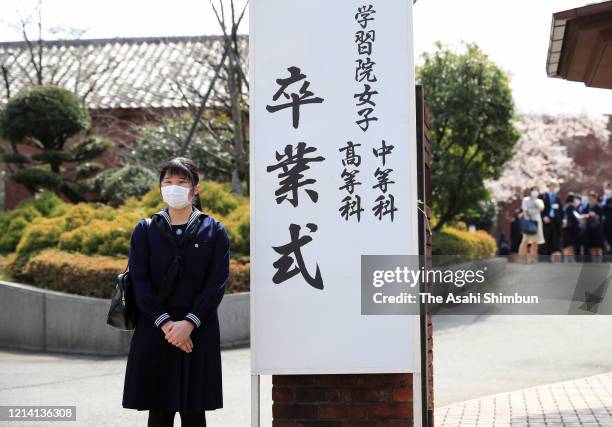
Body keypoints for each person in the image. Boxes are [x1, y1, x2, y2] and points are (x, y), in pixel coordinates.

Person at [122, 157, 230, 426]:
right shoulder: (145, 230)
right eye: (167, 182)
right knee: (158, 412)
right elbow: (140, 282)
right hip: (156, 327)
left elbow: (216, 283)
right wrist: (168, 325)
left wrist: (189, 324)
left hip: (198, 329)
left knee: (195, 412)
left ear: (196, 189)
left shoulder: (214, 230)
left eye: (182, 182)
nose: (174, 188)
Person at [518, 187, 545, 262]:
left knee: (535, 241)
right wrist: (533, 210)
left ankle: (533, 259)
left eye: (537, 191)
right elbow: (525, 210)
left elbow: (541, 208)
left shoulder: (539, 201)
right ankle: (522, 258)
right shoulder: (526, 199)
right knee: (525, 240)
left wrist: (535, 202)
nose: (535, 192)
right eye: (534, 190)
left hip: (537, 222)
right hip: (528, 222)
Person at [539, 180, 563, 261]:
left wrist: (561, 220)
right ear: (548, 186)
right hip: (545, 222)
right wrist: (543, 217)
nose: (553, 187)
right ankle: (543, 259)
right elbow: (539, 209)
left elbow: (560, 211)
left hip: (555, 223)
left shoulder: (557, 198)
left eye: (555, 186)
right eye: (552, 185)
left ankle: (552, 258)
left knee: (555, 241)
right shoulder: (543, 196)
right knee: (545, 240)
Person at [583, 191, 605, 262]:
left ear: (595, 198)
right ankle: (594, 261)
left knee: (598, 246)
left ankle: (599, 261)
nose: (590, 200)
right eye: (589, 198)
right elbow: (583, 213)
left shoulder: (599, 206)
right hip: (590, 229)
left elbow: (601, 217)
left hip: (598, 229)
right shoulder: (587, 206)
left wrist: (595, 215)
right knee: (592, 246)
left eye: (591, 198)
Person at [561, 193, 582, 263]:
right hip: (568, 230)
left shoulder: (568, 207)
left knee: (570, 246)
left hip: (570, 230)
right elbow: (568, 219)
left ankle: (570, 260)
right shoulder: (570, 207)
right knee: (568, 246)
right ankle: (567, 261)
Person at [602, 182, 612, 255]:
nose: (607, 190)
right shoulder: (602, 198)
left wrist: (606, 205)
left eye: (609, 188)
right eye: (606, 188)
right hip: (603, 223)